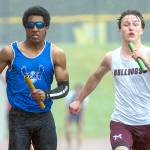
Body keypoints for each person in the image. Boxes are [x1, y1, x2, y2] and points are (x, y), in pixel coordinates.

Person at [69, 10, 150, 150]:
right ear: (120, 30)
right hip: (122, 122)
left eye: (135, 24)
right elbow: (95, 77)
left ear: (141, 30)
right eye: (126, 24)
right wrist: (78, 100)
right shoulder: (111, 57)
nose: (131, 27)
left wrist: (145, 62)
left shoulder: (148, 53)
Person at [0, 6, 69, 150]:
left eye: (39, 25)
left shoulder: (56, 54)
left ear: (46, 27)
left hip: (43, 117)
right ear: (25, 27)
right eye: (31, 25)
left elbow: (65, 88)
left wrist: (46, 95)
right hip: (18, 117)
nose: (35, 29)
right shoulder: (9, 52)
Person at [65, 83, 89, 150]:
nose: (78, 91)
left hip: (79, 114)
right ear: (75, 90)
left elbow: (84, 110)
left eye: (79, 90)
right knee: (68, 130)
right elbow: (67, 107)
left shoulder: (85, 97)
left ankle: (78, 147)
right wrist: (67, 117)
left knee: (79, 130)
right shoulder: (70, 95)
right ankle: (69, 145)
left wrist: (82, 119)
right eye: (77, 90)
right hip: (70, 113)